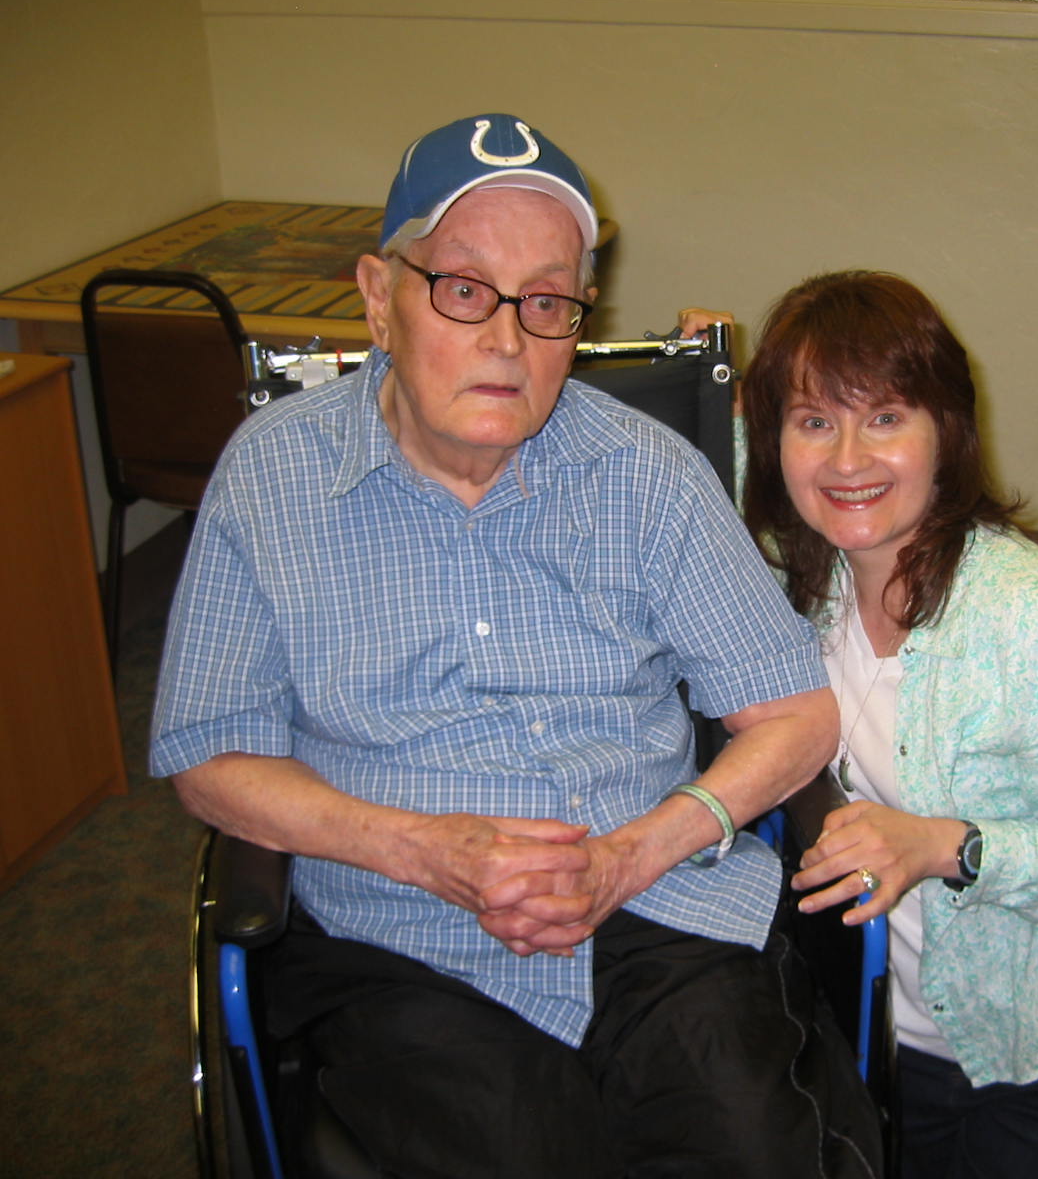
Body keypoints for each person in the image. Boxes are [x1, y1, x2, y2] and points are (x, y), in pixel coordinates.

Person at [151, 114, 880, 1179]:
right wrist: (418, 848)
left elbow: (793, 712)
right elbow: (208, 751)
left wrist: (635, 850)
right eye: (462, 289)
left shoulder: (646, 473)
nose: (506, 341)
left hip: (658, 905)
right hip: (403, 938)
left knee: (755, 1152)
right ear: (377, 295)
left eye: (546, 301)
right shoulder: (275, 479)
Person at [740, 271, 1038, 1178]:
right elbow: (700, 477)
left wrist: (946, 846)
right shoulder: (809, 572)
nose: (847, 458)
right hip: (888, 1048)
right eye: (815, 420)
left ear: (947, 434)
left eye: (888, 417)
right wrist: (715, 370)